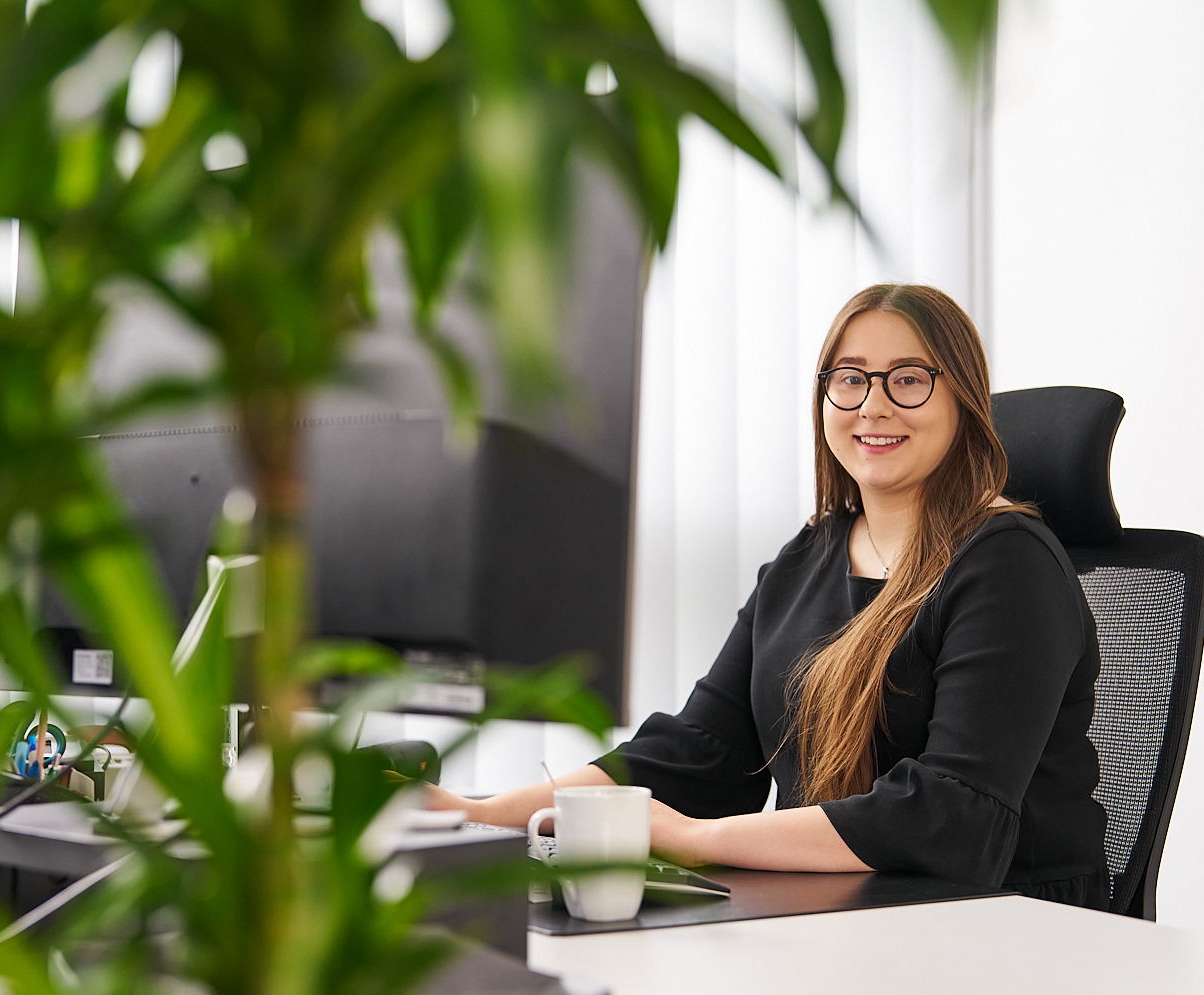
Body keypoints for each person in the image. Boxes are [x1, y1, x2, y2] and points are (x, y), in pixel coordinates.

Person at [427, 283, 1110, 909]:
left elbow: (951, 816)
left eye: (908, 379)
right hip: (844, 915)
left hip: (1003, 936)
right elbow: (699, 754)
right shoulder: (805, 558)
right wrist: (478, 811)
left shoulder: (1007, 564)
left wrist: (695, 840)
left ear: (962, 398)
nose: (873, 404)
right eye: (850, 380)